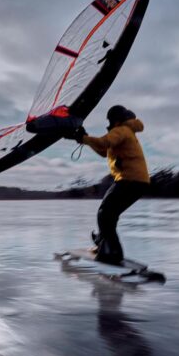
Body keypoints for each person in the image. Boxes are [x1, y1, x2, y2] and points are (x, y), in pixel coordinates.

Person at [66, 105, 150, 264]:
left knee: (105, 214)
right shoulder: (125, 132)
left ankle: (113, 253)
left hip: (130, 180)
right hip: (136, 181)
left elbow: (104, 142)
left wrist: (83, 138)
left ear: (115, 119)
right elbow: (104, 151)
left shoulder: (122, 130)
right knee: (109, 215)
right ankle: (104, 244)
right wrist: (85, 139)